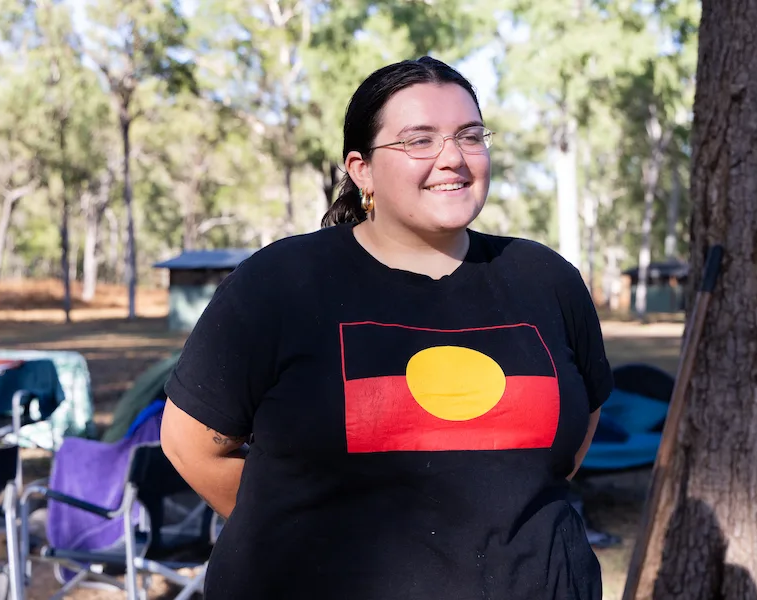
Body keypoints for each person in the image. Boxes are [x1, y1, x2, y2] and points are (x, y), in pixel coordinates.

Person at [160, 55, 614, 600]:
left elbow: (573, 435)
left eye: (469, 136)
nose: (453, 159)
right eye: (419, 140)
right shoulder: (282, 283)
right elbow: (191, 445)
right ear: (361, 169)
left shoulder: (546, 280)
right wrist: (304, 534)